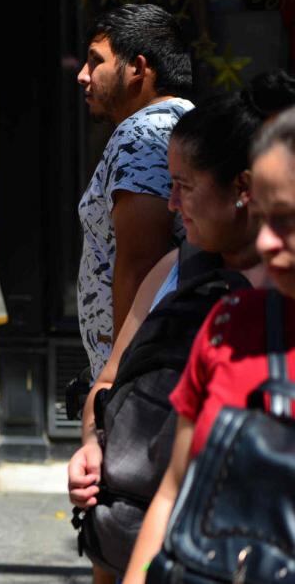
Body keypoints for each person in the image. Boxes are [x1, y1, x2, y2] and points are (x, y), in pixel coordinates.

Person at [68, 88, 279, 578]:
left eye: (184, 184)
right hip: (129, 540)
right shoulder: (172, 270)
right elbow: (108, 383)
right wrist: (93, 446)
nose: (171, 202)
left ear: (242, 188)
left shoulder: (268, 304)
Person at [123, 105, 295, 584]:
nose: (267, 240)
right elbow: (172, 491)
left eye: (286, 219)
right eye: (263, 217)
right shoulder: (229, 324)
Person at [75, 3, 193, 383]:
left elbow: (141, 264)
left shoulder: (143, 135)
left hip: (140, 380)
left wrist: (119, 380)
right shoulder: (183, 123)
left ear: (138, 68)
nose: (82, 75)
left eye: (96, 62)